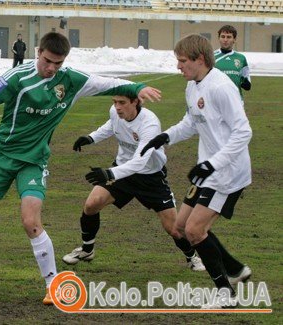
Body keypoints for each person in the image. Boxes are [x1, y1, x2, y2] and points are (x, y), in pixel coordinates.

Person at [0, 32, 161, 306]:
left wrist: (137, 87)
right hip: (0, 156)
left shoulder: (70, 80)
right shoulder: (16, 78)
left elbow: (106, 83)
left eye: (58, 64)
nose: (51, 69)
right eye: (47, 61)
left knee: (31, 221)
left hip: (34, 161)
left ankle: (53, 284)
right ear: (38, 52)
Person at [141, 34, 253, 309]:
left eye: (182, 61)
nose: (178, 67)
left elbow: (243, 132)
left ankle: (226, 294)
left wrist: (213, 164)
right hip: (207, 171)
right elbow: (192, 121)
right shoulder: (193, 86)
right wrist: (165, 137)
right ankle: (235, 268)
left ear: (199, 60)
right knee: (180, 226)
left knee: (194, 230)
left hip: (227, 173)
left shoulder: (221, 88)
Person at [62, 94, 205, 272]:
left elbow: (139, 162)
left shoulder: (149, 123)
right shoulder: (115, 112)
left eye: (122, 103)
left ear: (135, 102)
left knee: (174, 229)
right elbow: (112, 125)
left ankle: (192, 258)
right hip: (122, 172)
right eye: (114, 102)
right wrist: (91, 138)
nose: (117, 107)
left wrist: (108, 173)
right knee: (92, 204)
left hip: (150, 177)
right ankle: (86, 250)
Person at [214, 25, 251, 99]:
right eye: (223, 36)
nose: (225, 40)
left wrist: (244, 82)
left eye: (229, 37)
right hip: (216, 100)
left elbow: (247, 84)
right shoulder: (211, 56)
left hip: (236, 100)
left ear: (234, 39)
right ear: (219, 38)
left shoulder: (241, 58)